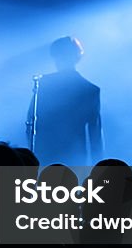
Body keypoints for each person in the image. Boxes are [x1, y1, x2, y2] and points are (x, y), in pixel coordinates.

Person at [27, 36, 103, 167]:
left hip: (45, 155)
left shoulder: (44, 84)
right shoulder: (90, 90)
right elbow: (95, 135)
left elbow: (30, 122)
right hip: (75, 158)